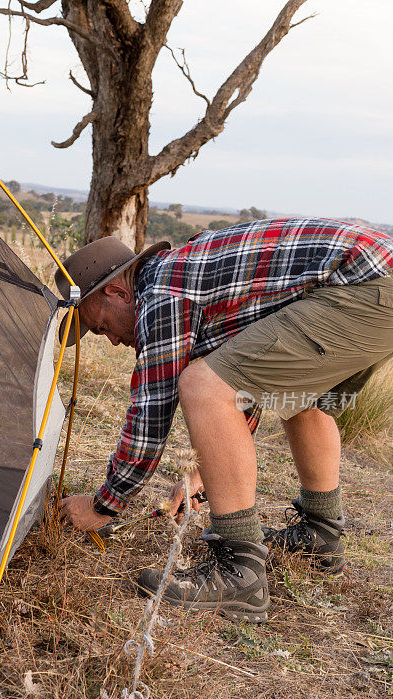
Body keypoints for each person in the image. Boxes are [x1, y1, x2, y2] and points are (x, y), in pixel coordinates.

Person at [58, 218, 393, 622]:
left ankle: (241, 571)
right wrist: (203, 472)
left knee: (199, 383)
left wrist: (104, 505)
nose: (111, 339)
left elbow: (151, 412)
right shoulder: (185, 271)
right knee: (301, 400)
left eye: (102, 326)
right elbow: (250, 379)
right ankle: (320, 536)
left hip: (365, 286)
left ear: (116, 291)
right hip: (369, 281)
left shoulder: (161, 292)